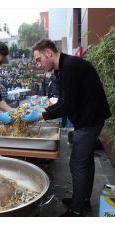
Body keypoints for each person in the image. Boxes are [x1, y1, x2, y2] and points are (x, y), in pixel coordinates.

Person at [22, 39, 111, 216]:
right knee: (85, 162)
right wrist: (44, 110)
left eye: (39, 59)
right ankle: (82, 199)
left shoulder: (70, 67)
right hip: (88, 119)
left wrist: (40, 116)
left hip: (90, 120)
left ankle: (77, 210)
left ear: (48, 52)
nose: (38, 63)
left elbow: (68, 105)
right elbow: (63, 101)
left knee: (77, 163)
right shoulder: (62, 68)